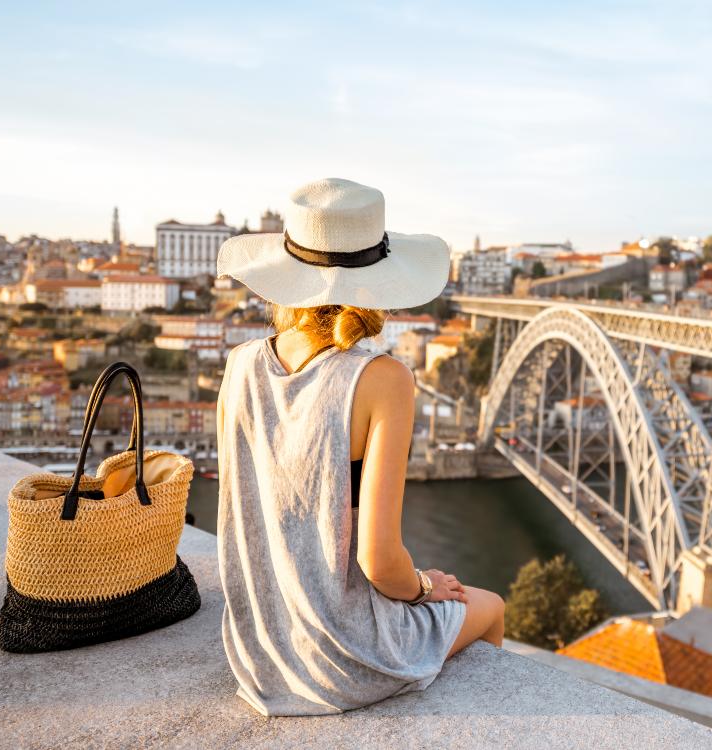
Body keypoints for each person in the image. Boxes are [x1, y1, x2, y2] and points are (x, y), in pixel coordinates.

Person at [214, 178, 505, 716]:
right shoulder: (382, 378)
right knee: (487, 606)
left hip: (259, 652)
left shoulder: (240, 364)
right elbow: (379, 560)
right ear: (379, 283)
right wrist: (424, 587)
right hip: (343, 659)